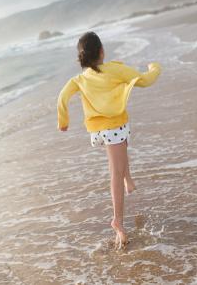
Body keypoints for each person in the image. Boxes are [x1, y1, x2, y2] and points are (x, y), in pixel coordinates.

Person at [57, 31, 161, 249]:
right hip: (114, 127)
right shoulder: (114, 69)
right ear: (102, 51)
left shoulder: (80, 78)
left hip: (99, 131)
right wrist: (155, 68)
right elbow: (143, 80)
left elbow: (62, 97)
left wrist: (63, 121)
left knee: (122, 150)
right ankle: (118, 221)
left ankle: (128, 179)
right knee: (116, 170)